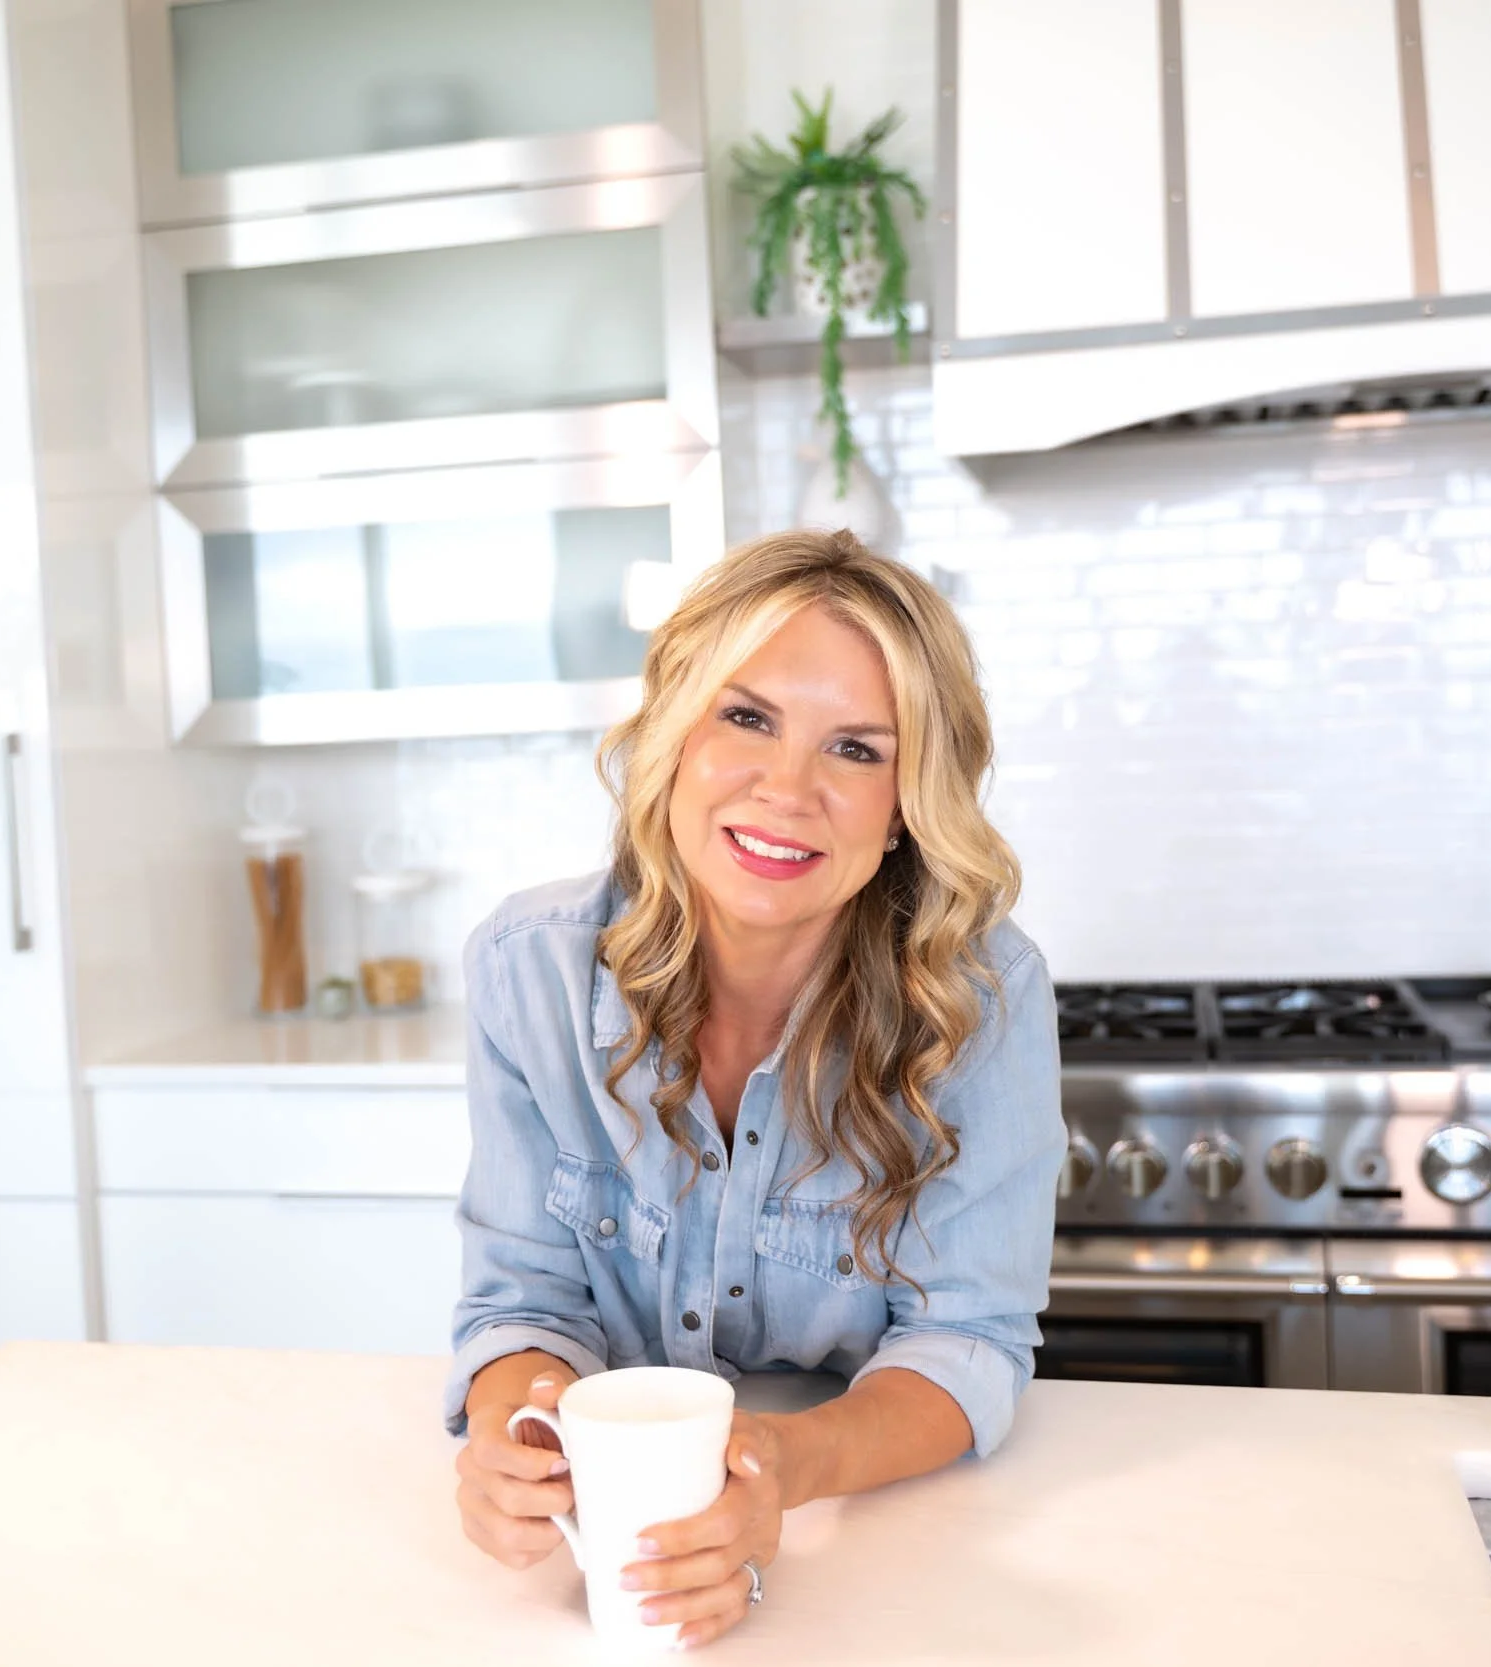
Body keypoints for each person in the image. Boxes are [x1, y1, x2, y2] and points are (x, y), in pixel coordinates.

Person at [445, 529, 1061, 1649]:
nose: (788, 789)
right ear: (674, 731)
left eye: (857, 749)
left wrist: (787, 1460)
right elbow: (522, 1298)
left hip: (904, 1558)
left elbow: (967, 1336)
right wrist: (520, 1425)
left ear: (907, 806)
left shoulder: (984, 996)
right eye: (748, 717)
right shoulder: (524, 967)